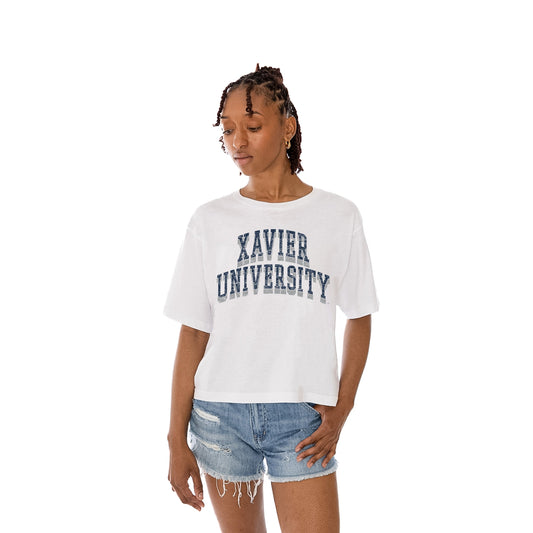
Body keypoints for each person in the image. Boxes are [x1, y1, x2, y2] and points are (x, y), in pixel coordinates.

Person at [164, 64, 379, 533]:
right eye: (228, 130)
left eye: (253, 126)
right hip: (220, 415)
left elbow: (360, 315)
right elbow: (194, 332)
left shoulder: (338, 216)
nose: (237, 141)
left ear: (287, 128)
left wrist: (343, 406)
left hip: (303, 418)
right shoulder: (209, 221)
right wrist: (175, 439)